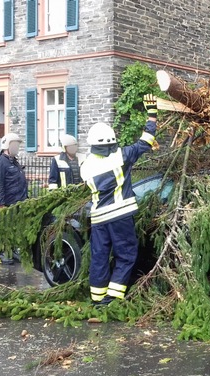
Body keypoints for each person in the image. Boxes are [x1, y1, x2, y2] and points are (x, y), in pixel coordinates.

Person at [81, 94, 159, 306]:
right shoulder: (120, 157)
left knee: (100, 256)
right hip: (120, 216)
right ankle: (113, 297)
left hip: (98, 218)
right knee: (126, 255)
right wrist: (151, 115)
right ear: (112, 142)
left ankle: (97, 298)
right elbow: (145, 142)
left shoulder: (85, 166)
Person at [0, 133, 28, 265]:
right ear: (7, 145)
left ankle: (12, 252)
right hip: (7, 203)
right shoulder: (0, 162)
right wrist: (0, 204)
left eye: (17, 145)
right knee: (3, 228)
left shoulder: (14, 162)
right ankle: (0, 254)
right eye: (14, 145)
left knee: (14, 229)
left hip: (18, 201)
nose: (17, 147)